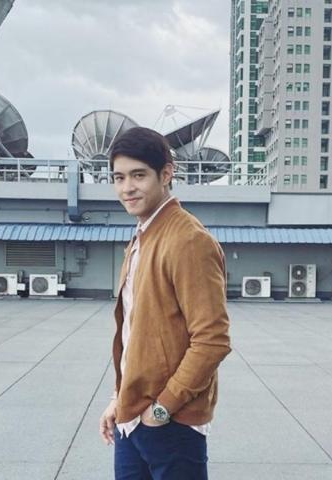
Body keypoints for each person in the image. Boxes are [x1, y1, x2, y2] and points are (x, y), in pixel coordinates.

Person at [98, 127, 231, 479]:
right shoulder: (142, 238)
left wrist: (162, 410)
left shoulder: (189, 240)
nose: (127, 188)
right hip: (132, 418)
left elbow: (212, 340)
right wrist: (118, 398)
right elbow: (135, 334)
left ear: (167, 174)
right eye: (119, 177)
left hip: (170, 423)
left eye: (138, 175)